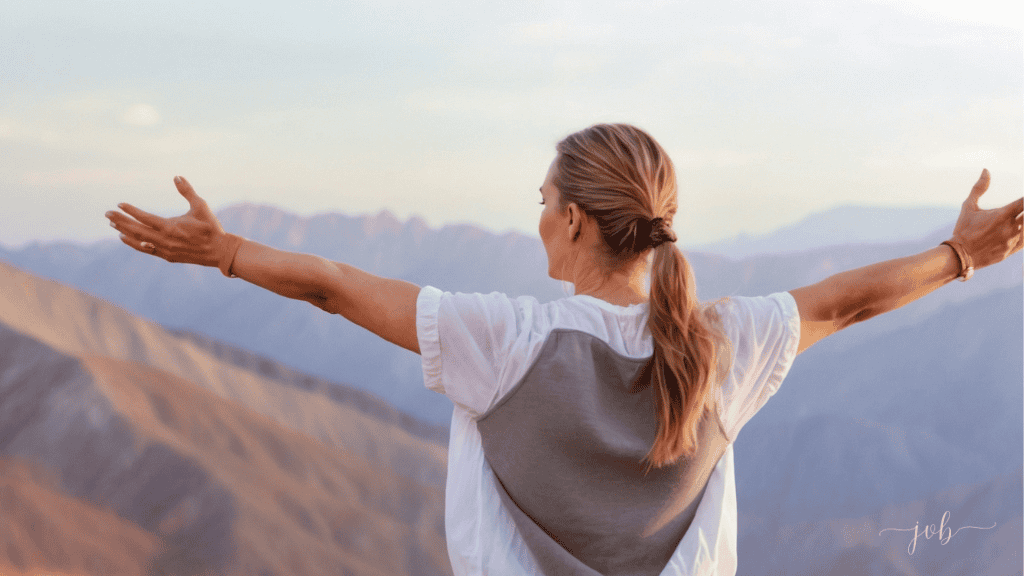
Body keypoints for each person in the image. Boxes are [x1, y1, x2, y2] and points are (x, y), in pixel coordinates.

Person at [105, 123, 1023, 575]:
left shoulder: (501, 345)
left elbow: (333, 286)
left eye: (543, 199)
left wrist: (223, 252)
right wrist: (961, 256)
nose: (537, 215)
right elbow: (848, 305)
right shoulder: (724, 348)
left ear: (574, 220)